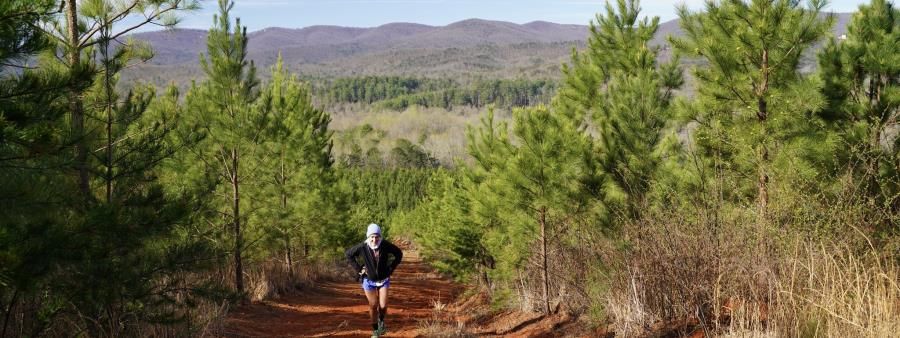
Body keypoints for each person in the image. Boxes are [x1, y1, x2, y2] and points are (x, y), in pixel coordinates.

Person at [345, 223, 403, 338]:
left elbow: (399, 254)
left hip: (383, 279)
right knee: (373, 305)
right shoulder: (363, 246)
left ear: (379, 236)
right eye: (372, 237)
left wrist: (391, 268)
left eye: (377, 237)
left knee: (383, 305)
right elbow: (349, 254)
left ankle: (381, 321)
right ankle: (376, 330)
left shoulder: (384, 245)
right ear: (368, 236)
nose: (374, 239)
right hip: (368, 280)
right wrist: (359, 269)